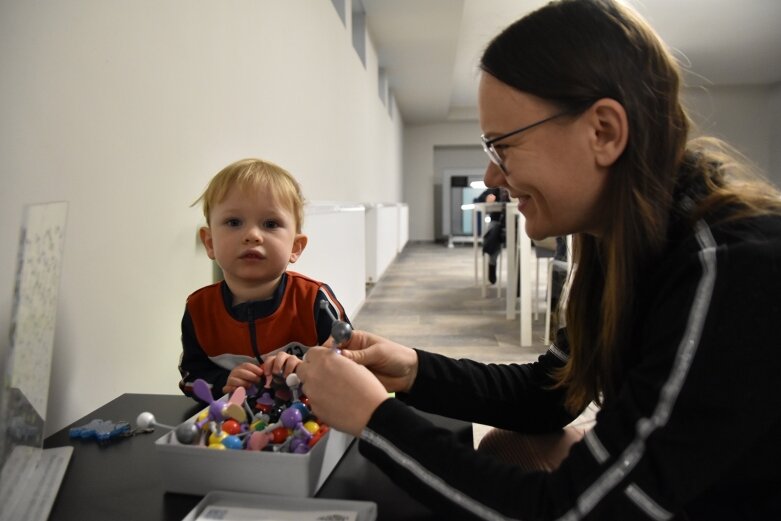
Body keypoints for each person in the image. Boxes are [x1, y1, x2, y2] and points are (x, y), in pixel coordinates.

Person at [287, 1, 781, 519]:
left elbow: (567, 513)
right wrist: (413, 369)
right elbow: (551, 394)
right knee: (507, 446)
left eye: (503, 146)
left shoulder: (730, 272)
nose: (493, 177)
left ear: (604, 132)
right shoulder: (625, 246)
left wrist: (374, 419)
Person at [177, 158, 349, 401]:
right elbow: (190, 376)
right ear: (210, 242)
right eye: (234, 222)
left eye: (270, 224)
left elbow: (351, 364)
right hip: (234, 430)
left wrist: (305, 369)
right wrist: (223, 382)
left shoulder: (315, 301)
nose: (252, 235)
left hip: (310, 425)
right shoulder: (199, 310)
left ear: (295, 247)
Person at [474, 187, 510, 283]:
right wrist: (487, 199)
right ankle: (492, 262)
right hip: (497, 223)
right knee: (493, 232)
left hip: (514, 223)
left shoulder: (515, 187)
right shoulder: (495, 190)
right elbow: (477, 200)